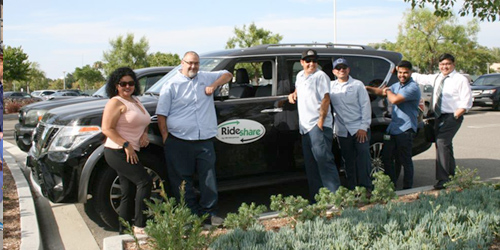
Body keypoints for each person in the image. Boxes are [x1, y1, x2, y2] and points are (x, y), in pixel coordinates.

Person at [156, 51, 232, 226]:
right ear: (182, 63)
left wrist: (214, 85)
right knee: (182, 181)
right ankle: (189, 216)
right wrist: (167, 138)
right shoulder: (171, 85)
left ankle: (209, 214)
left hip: (204, 140)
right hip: (179, 140)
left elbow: (228, 74)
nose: (193, 67)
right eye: (190, 63)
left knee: (208, 179)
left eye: (196, 63)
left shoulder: (205, 76)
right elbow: (161, 115)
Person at [101, 67, 152, 235]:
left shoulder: (135, 100)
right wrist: (126, 145)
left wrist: (144, 134)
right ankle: (140, 226)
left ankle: (124, 229)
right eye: (123, 84)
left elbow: (145, 120)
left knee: (128, 191)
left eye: (130, 83)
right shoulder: (115, 102)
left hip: (131, 150)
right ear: (116, 85)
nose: (127, 87)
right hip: (117, 151)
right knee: (144, 182)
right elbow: (107, 129)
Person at [411, 53, 472, 189]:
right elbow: (419, 77)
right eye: (442, 64)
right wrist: (399, 69)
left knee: (442, 142)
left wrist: (457, 114)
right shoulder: (438, 77)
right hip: (438, 117)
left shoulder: (460, 79)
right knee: (445, 146)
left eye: (447, 64)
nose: (445, 67)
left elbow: (467, 100)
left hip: (452, 116)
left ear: (453, 65)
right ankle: (452, 176)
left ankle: (443, 179)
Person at [288, 49, 341, 201]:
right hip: (305, 128)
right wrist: (293, 94)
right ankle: (317, 200)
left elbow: (325, 99)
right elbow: (300, 88)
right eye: (308, 60)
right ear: (302, 62)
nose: (311, 64)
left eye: (314, 61)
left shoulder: (321, 76)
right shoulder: (299, 76)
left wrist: (320, 122)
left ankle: (335, 199)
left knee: (324, 163)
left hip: (318, 126)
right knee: (311, 166)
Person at [367, 60, 421, 189]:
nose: (402, 75)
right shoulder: (396, 86)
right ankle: (392, 185)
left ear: (411, 73)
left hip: (406, 129)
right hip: (393, 128)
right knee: (387, 157)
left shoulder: (412, 87)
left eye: (405, 73)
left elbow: (394, 99)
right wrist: (366, 88)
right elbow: (381, 92)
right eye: (400, 72)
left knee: (405, 160)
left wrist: (388, 91)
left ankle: (408, 188)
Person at [329, 58, 372, 191]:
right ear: (334, 71)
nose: (341, 70)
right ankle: (353, 188)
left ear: (349, 69)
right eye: (338, 68)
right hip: (342, 130)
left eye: (344, 67)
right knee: (348, 161)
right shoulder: (330, 86)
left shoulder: (357, 85)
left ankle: (366, 188)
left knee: (363, 160)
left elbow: (365, 106)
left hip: (359, 128)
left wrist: (363, 127)